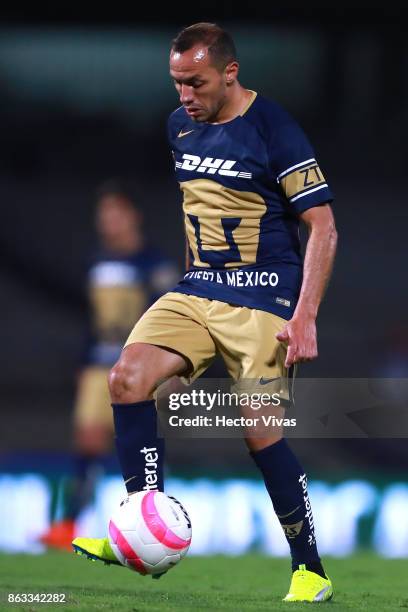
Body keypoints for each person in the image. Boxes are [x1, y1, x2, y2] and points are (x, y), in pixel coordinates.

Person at [72, 24, 338, 603]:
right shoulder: (179, 126)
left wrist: (306, 315)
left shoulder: (276, 129)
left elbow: (323, 226)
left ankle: (310, 568)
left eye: (195, 82)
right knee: (126, 379)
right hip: (197, 291)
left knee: (258, 427)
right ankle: (139, 529)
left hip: (265, 294)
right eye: (176, 83)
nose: (184, 94)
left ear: (230, 73)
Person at [41, 183, 178, 550]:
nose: (109, 222)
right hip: (99, 365)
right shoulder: (96, 263)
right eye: (104, 215)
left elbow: (168, 320)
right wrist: (82, 360)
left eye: (116, 213)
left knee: (136, 443)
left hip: (139, 367)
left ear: (133, 216)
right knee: (87, 440)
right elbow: (90, 320)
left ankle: (151, 522)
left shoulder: (153, 264)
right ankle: (67, 524)